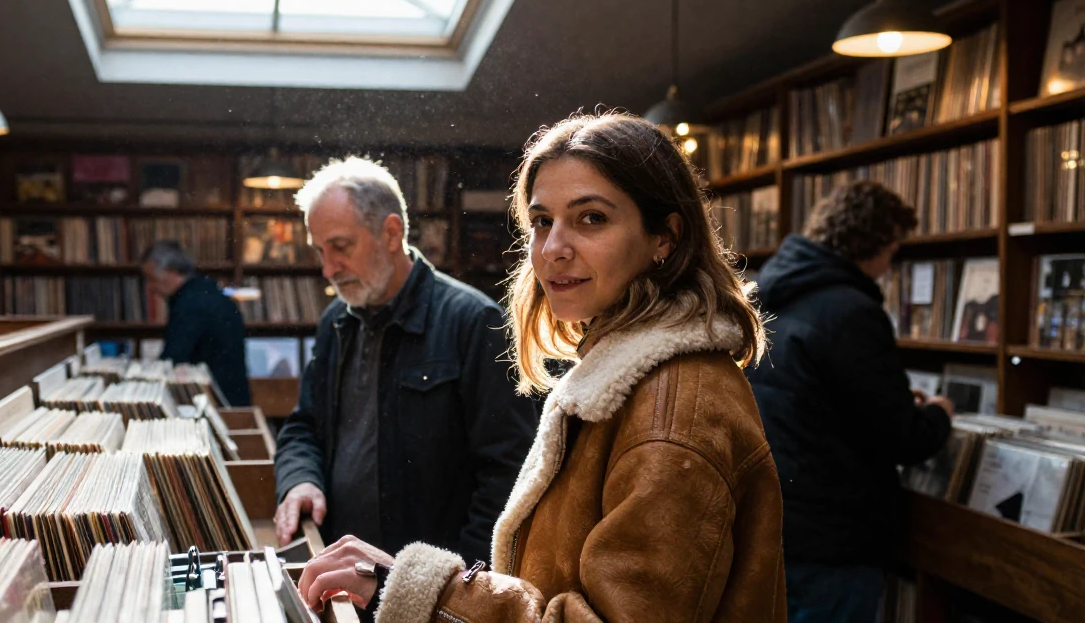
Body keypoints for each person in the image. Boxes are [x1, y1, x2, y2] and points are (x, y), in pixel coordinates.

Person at [293, 113, 787, 622]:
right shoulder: (622, 373)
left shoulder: (675, 410)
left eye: (591, 218)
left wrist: (426, 593)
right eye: (542, 222)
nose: (552, 249)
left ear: (665, 237)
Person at [272, 156, 538, 575]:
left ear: (391, 232)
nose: (328, 269)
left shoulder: (472, 322)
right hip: (346, 573)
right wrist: (299, 479)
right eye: (321, 251)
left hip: (431, 590)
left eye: (340, 247)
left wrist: (456, 587)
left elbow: (508, 474)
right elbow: (304, 426)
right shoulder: (336, 322)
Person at [744, 180, 955, 623]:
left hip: (769, 520)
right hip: (833, 537)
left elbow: (808, 399)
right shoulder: (852, 310)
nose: (889, 266)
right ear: (876, 244)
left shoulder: (766, 293)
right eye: (894, 250)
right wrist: (938, 414)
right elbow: (903, 438)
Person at [140, 240, 251, 406]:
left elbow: (173, 357)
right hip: (234, 398)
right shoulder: (206, 290)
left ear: (171, 271)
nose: (150, 287)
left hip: (218, 404)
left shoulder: (189, 304)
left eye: (152, 279)